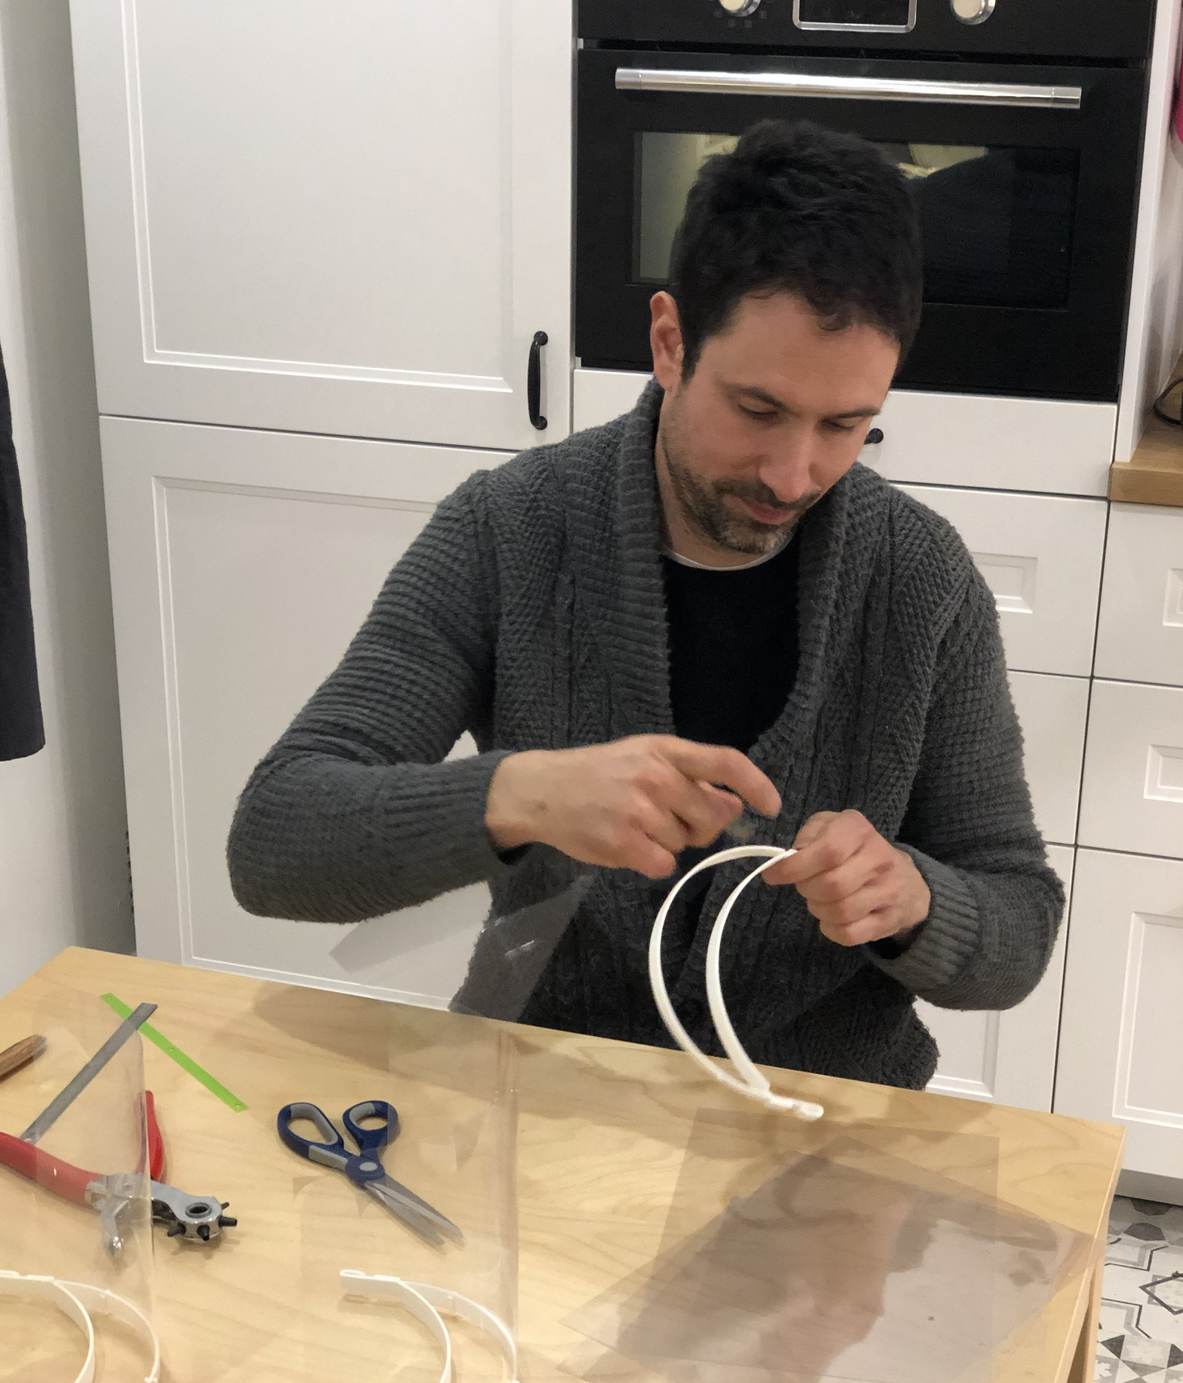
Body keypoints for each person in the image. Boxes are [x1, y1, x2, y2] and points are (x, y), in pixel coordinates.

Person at [227, 119, 1063, 1092]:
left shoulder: (920, 576)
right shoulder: (509, 530)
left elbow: (1019, 921)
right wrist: (521, 795)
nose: (793, 474)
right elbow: (274, 840)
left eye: (846, 425)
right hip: (544, 1085)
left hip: (821, 1110)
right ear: (669, 342)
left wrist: (914, 899)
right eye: (757, 410)